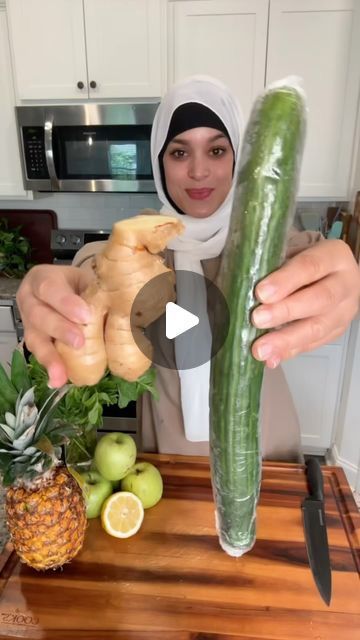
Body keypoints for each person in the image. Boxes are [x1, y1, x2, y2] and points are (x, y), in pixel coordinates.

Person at [16, 76, 360, 462]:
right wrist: (55, 282)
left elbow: (318, 258)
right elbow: (99, 267)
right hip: (166, 456)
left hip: (266, 450)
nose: (198, 171)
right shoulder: (143, 243)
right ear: (160, 163)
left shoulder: (268, 241)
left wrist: (346, 267)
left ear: (238, 159)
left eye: (216, 150)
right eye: (179, 153)